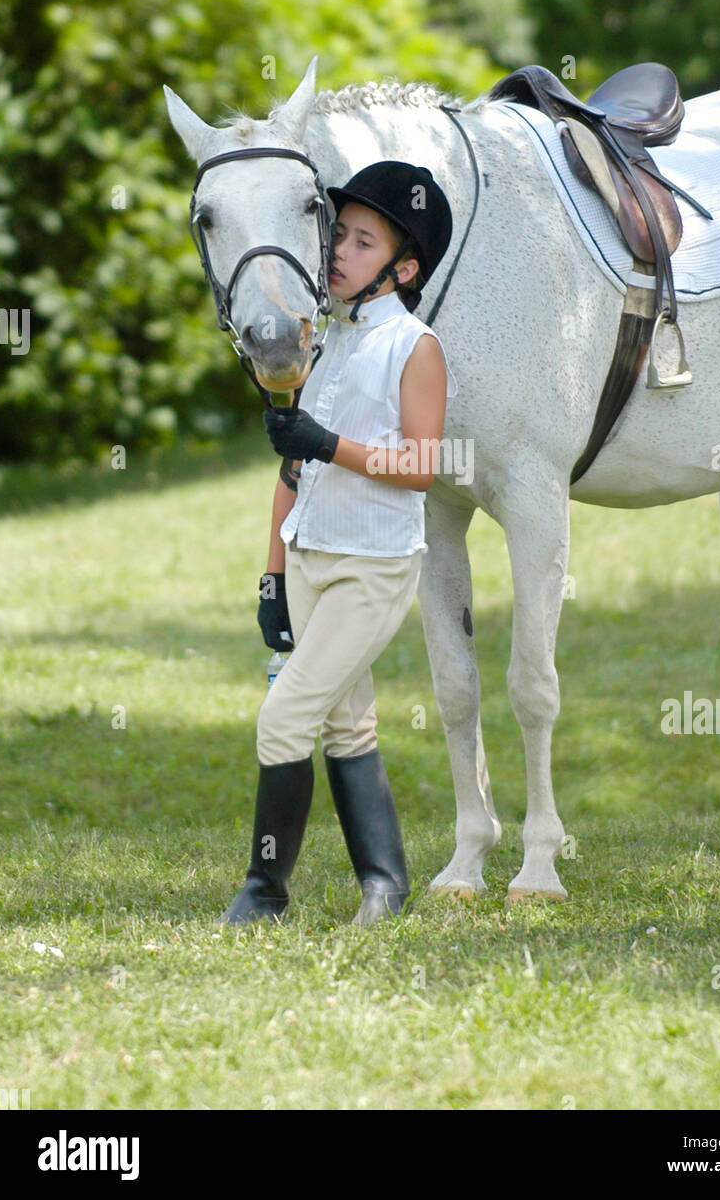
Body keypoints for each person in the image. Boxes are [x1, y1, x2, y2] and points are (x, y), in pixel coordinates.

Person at [221, 161, 457, 927]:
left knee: (282, 719)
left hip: (373, 565)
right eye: (340, 237)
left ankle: (265, 892)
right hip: (309, 554)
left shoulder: (414, 347)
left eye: (362, 242)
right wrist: (270, 573)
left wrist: (331, 442)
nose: (339, 253)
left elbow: (423, 468)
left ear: (403, 267)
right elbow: (293, 468)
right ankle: (385, 885)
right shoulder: (324, 340)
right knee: (345, 722)